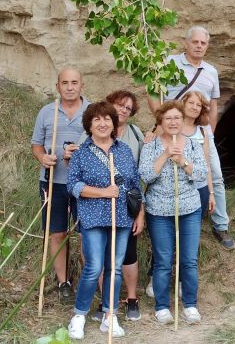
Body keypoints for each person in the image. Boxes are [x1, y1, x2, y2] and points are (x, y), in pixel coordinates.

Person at [147, 26, 235, 250]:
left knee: (214, 174)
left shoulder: (211, 71)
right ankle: (163, 218)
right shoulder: (170, 62)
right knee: (167, 172)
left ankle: (220, 224)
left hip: (201, 132)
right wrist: (161, 123)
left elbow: (213, 105)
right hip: (173, 131)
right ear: (186, 43)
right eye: (195, 42)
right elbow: (152, 92)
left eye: (203, 43)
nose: (199, 46)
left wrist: (210, 132)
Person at [67, 102, 140, 339]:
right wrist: (103, 192)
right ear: (89, 124)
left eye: (107, 119)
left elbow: (134, 186)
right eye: (96, 119)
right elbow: (74, 186)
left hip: (121, 218)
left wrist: (139, 213)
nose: (102, 123)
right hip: (93, 217)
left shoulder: (124, 151)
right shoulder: (81, 153)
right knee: (94, 267)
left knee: (115, 269)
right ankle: (78, 316)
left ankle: (110, 316)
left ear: (113, 123)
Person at [139, 101, 207, 325]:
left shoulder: (194, 144)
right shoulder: (150, 146)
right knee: (163, 261)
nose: (173, 122)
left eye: (177, 118)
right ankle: (161, 307)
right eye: (168, 118)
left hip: (188, 209)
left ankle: (190, 305)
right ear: (161, 121)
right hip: (159, 210)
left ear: (182, 120)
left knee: (188, 260)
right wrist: (166, 155)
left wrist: (182, 161)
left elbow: (201, 174)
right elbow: (146, 175)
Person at [83, 91, 145, 321]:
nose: (123, 110)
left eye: (128, 108)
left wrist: (140, 212)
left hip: (126, 205)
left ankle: (130, 298)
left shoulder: (135, 135)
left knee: (127, 255)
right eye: (119, 105)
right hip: (97, 207)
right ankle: (106, 302)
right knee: (99, 257)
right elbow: (78, 168)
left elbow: (137, 178)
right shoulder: (90, 135)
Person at [31, 67, 90, 304]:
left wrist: (78, 157)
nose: (69, 87)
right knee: (57, 232)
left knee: (88, 233)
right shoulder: (47, 112)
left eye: (74, 82)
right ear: (57, 86)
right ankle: (63, 281)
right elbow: (36, 145)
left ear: (81, 85)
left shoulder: (92, 111)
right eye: (64, 82)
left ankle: (90, 278)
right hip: (52, 181)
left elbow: (102, 143)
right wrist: (43, 157)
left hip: (85, 185)